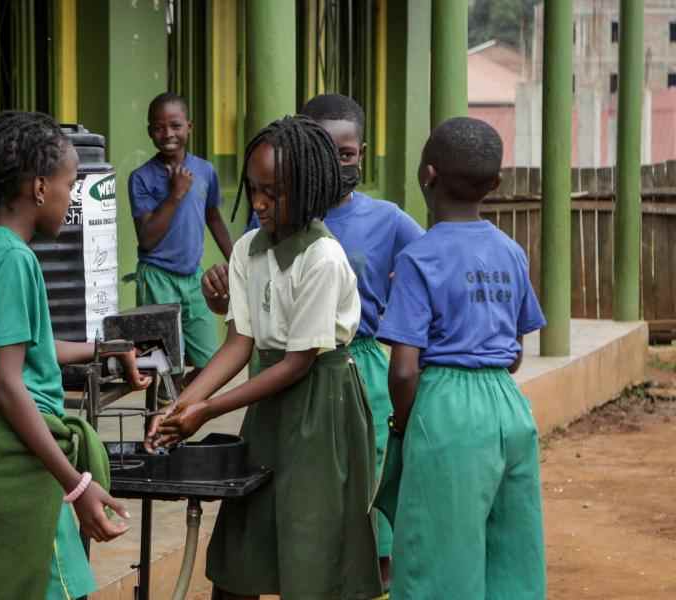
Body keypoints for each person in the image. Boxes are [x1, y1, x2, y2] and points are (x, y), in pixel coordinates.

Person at [148, 116, 383, 600]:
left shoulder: (323, 258)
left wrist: (208, 411)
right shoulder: (248, 251)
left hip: (322, 411)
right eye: (253, 189)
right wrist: (181, 404)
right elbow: (239, 342)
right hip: (270, 407)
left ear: (309, 187)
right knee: (245, 546)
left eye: (273, 192)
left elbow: (298, 363)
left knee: (313, 543)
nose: (258, 203)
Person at [201, 94, 424, 585]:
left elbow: (426, 275)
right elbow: (245, 332)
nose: (259, 202)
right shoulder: (259, 236)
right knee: (249, 534)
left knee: (334, 530)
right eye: (254, 190)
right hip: (270, 383)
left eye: (348, 153)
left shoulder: (356, 236)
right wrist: (190, 399)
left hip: (341, 379)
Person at [0, 111, 151, 600]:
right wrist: (77, 486)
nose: (72, 196)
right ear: (40, 188)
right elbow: (7, 383)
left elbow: (27, 348)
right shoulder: (16, 261)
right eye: (70, 183)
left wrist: (104, 348)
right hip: (18, 460)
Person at [375, 117, 547, 599]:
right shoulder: (511, 252)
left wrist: (408, 428)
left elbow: (405, 368)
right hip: (509, 410)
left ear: (427, 175)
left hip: (445, 410)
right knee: (512, 556)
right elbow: (513, 352)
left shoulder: (419, 257)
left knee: (436, 562)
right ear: (494, 184)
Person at [129, 92, 233, 393]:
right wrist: (175, 194)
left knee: (210, 363)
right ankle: (163, 423)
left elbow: (213, 218)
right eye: (159, 128)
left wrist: (238, 260)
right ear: (150, 132)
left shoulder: (205, 171)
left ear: (189, 126)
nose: (168, 134)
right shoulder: (141, 178)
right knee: (163, 366)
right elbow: (147, 239)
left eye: (175, 125)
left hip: (193, 279)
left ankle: (176, 405)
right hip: (156, 279)